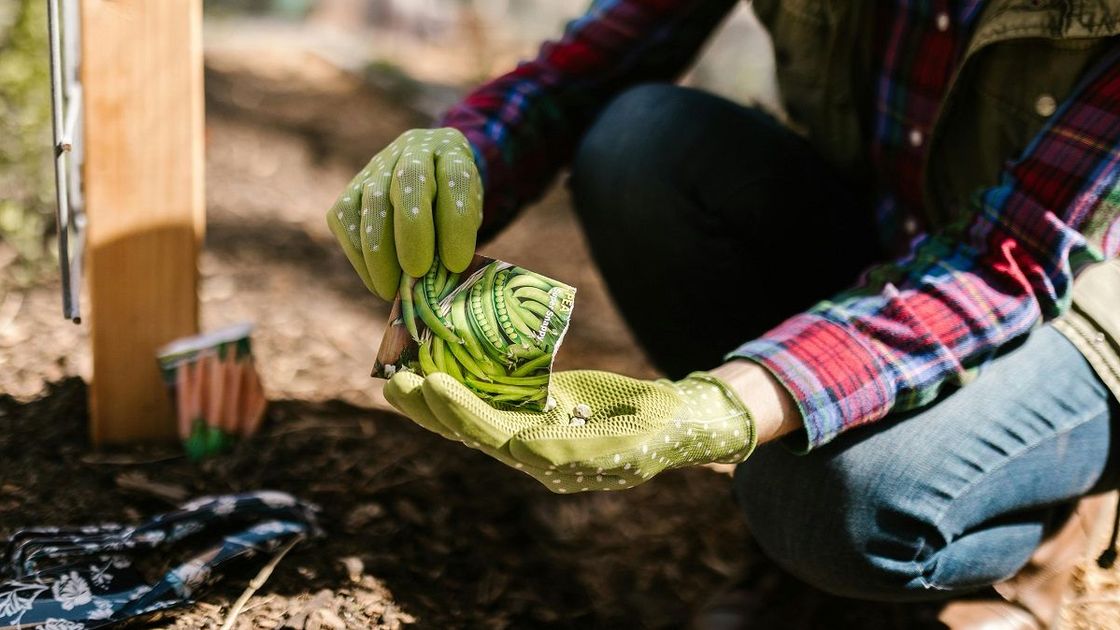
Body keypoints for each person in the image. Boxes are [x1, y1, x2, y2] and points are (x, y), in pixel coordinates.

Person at [326, 1, 1120, 627]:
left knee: (847, 501)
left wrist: (722, 405)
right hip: (883, 242)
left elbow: (998, 262)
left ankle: (1039, 525)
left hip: (1065, 299)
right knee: (642, 142)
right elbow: (586, 70)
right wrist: (463, 156)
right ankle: (798, 507)